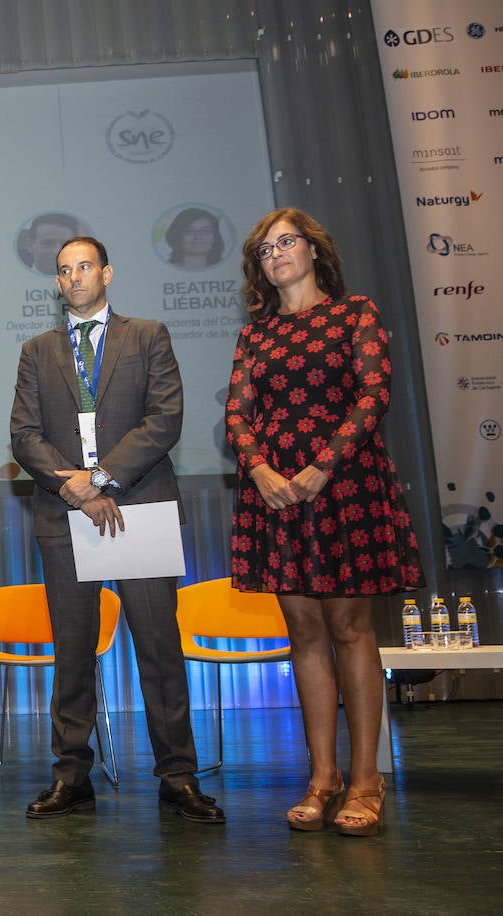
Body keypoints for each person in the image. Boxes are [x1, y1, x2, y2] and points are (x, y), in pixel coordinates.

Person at [10, 237, 224, 825]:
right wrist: (74, 487)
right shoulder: (37, 350)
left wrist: (102, 478)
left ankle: (178, 776)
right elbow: (24, 434)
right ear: (56, 283)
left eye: (83, 266)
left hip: (140, 506)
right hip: (66, 513)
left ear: (107, 272)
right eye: (63, 271)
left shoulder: (147, 335)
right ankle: (72, 775)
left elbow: (165, 418)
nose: (73, 277)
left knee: (158, 650)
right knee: (72, 654)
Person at [226, 208, 423, 836]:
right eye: (265, 249)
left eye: (287, 242)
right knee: (303, 631)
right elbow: (237, 413)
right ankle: (323, 778)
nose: (276, 254)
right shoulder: (255, 334)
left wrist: (320, 469)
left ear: (315, 250)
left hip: (345, 489)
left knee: (348, 625)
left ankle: (367, 780)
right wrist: (259, 470)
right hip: (276, 494)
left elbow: (374, 395)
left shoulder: (355, 313)